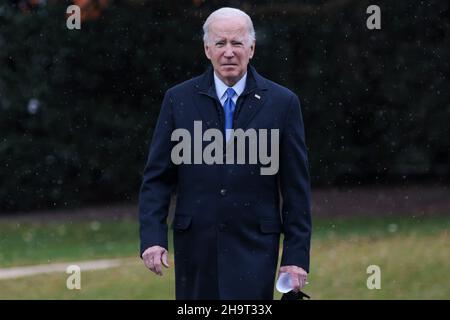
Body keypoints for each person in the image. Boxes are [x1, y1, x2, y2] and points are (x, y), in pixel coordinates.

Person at [139, 7, 312, 300]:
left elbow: (296, 189)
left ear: (252, 48)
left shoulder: (282, 103)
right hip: (195, 248)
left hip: (255, 247)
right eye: (220, 43)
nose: (229, 52)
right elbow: (157, 178)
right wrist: (153, 239)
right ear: (207, 49)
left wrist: (295, 256)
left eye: (237, 43)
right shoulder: (178, 99)